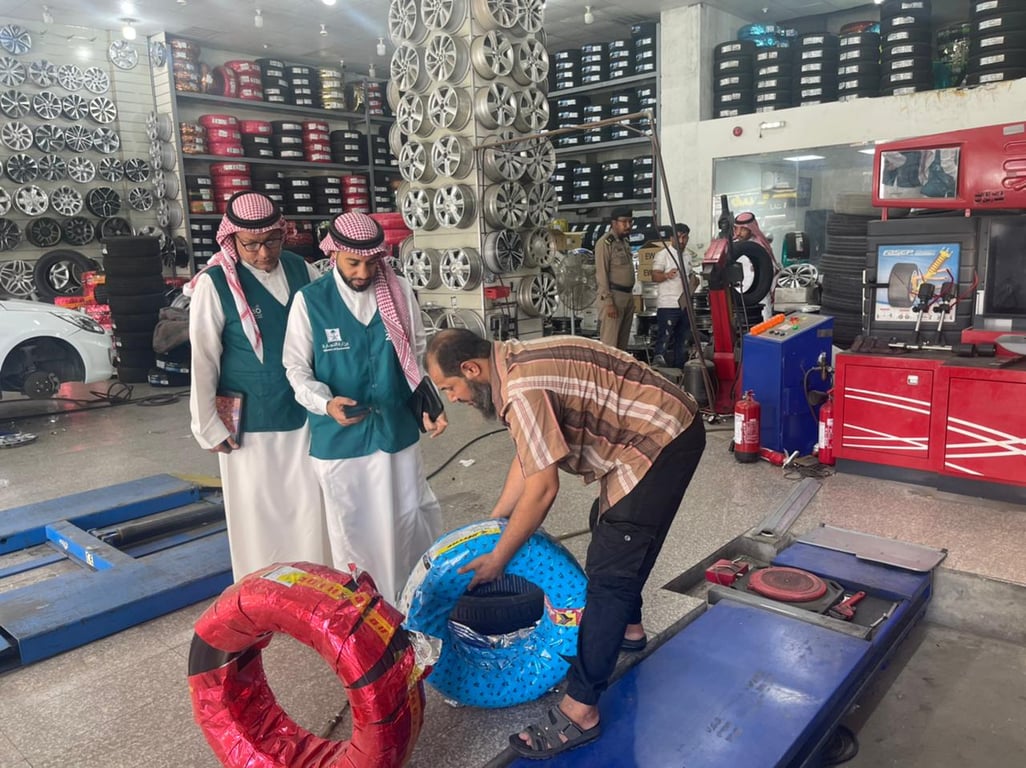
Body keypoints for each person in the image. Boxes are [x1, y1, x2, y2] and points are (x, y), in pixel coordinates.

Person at [425, 329, 706, 760]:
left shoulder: (521, 390)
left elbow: (542, 489)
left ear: (471, 369)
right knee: (608, 527)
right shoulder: (512, 362)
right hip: (651, 425)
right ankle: (628, 630)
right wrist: (495, 525)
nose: (453, 398)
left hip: (662, 435)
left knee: (611, 571)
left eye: (449, 388)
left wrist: (499, 557)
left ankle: (581, 711)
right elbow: (528, 457)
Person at [283, 211, 446, 603]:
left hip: (396, 431)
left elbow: (416, 356)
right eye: (353, 263)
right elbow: (296, 368)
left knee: (406, 520)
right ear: (333, 254)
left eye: (371, 263)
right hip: (340, 441)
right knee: (352, 530)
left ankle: (409, 603)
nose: (363, 272)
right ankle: (365, 611)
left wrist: (427, 404)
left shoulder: (398, 291)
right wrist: (324, 403)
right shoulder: (310, 301)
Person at [188, 191, 329, 581]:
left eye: (272, 241)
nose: (263, 253)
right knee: (257, 513)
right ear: (232, 239)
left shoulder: (301, 270)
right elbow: (203, 359)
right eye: (251, 244)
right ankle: (262, 592)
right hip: (247, 419)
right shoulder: (214, 284)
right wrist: (207, 425)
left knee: (308, 508)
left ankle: (313, 588)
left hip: (303, 412)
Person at [650, 223, 699, 368]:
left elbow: (690, 275)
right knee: (664, 339)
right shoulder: (663, 255)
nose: (682, 241)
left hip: (685, 305)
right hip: (668, 305)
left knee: (683, 341)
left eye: (685, 237)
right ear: (671, 238)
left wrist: (694, 280)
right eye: (678, 238)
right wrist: (666, 275)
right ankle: (659, 369)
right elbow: (654, 276)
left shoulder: (687, 255)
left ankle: (680, 370)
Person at [594, 207, 635, 350]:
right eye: (624, 222)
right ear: (614, 223)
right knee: (610, 345)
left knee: (622, 346)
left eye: (630, 222)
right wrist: (608, 302)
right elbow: (601, 274)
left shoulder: (625, 242)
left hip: (627, 297)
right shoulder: (605, 243)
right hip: (613, 297)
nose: (628, 225)